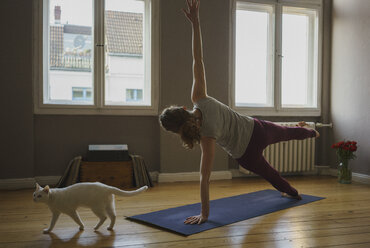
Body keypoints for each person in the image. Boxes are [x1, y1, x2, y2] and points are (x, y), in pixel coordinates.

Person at [159, 0, 320, 225]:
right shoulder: (200, 97)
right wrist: (195, 23)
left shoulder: (206, 137)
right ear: (184, 108)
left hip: (246, 155)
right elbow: (198, 59)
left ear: (177, 131)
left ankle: (292, 192)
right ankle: (312, 133)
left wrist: (205, 215)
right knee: (287, 132)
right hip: (257, 128)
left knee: (271, 174)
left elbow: (204, 179)